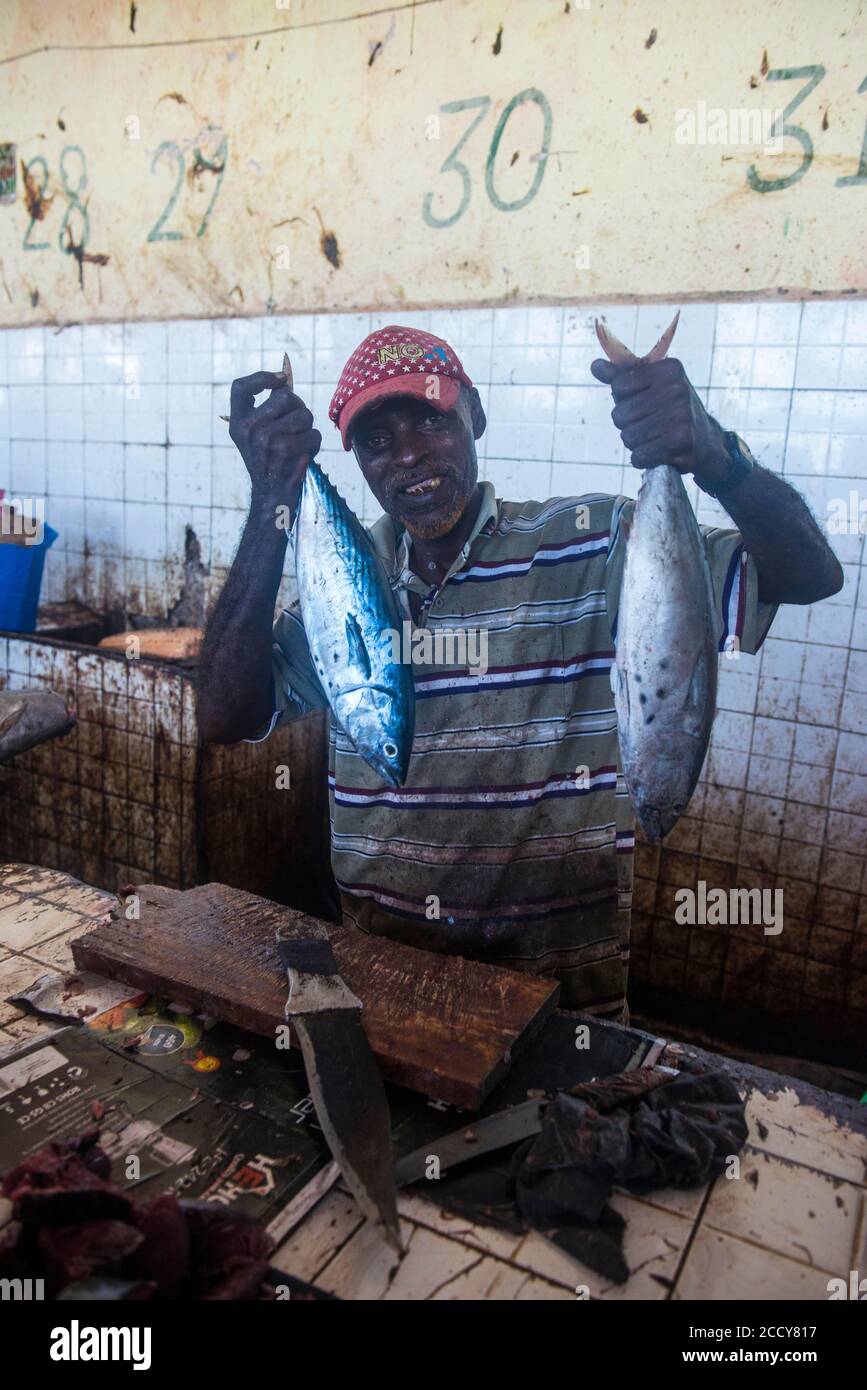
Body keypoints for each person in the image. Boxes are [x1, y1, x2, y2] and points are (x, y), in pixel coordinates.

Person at [198, 324, 842, 1023]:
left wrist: (718, 460)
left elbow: (807, 576)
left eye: (429, 418)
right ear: (353, 458)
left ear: (474, 413)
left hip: (561, 998)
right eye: (377, 441)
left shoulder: (595, 546)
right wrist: (274, 499)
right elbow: (224, 717)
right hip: (383, 976)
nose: (409, 454)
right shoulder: (342, 586)